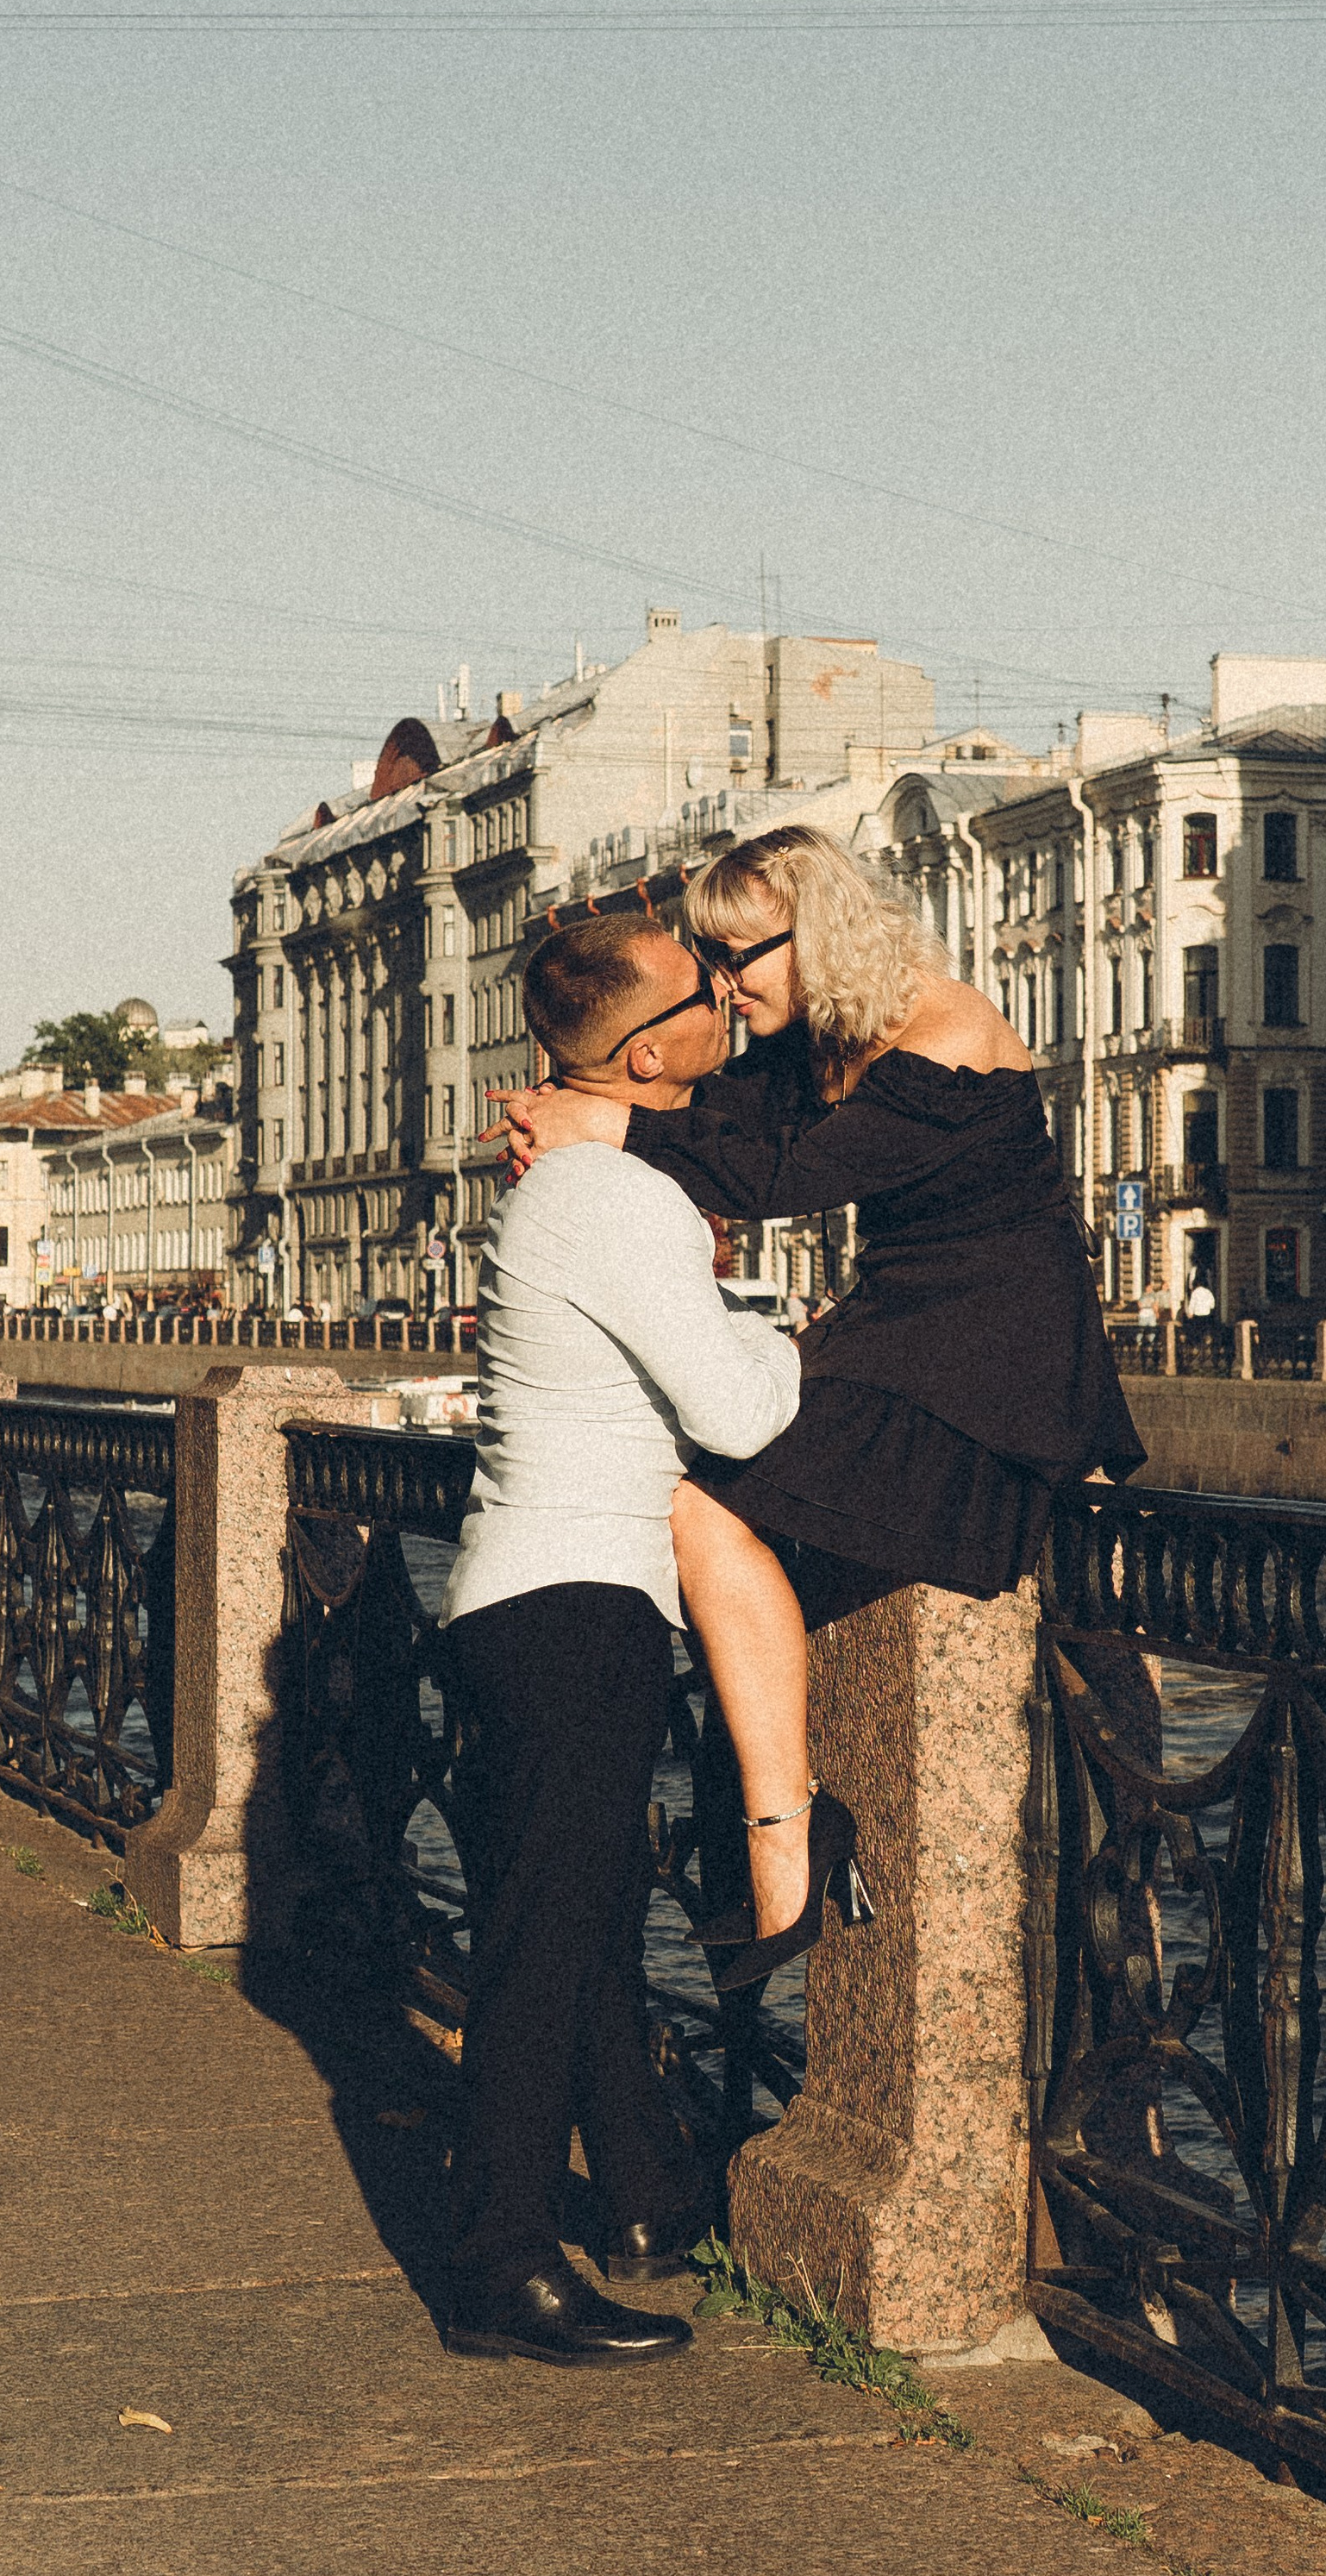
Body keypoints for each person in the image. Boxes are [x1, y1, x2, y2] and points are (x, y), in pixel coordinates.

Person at [498, 824, 1144, 1982]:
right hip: (899, 1332)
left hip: (993, 1359)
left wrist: (605, 1126)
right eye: (712, 960)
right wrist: (577, 1115)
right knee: (706, 1506)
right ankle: (778, 1830)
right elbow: (716, 1115)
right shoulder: (820, 1042)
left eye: (741, 956)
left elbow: (783, 1180)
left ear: (820, 934)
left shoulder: (946, 1033)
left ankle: (781, 1839)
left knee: (704, 1509)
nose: (726, 985)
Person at [435, 912, 802, 2370]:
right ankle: (499, 2259)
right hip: (583, 1604)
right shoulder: (611, 1200)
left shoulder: (570, 1190)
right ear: (654, 1055)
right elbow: (740, 1413)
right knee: (544, 1944)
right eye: (706, 994)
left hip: (518, 1600)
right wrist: (789, 1332)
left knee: (577, 1930)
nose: (729, 1001)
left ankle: (645, 2198)